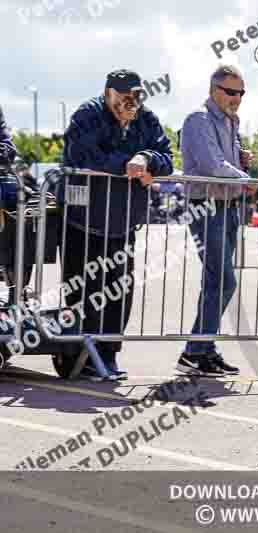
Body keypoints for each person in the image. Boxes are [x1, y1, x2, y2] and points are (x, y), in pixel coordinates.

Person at [60, 69, 173, 380]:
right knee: (83, 290)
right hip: (82, 222)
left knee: (119, 292)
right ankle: (77, 358)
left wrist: (147, 157)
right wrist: (130, 165)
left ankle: (107, 355)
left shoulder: (146, 117)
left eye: (135, 96)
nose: (130, 103)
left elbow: (167, 156)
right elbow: (86, 155)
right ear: (107, 93)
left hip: (123, 223)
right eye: (124, 97)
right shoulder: (87, 114)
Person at [176, 64, 254, 377]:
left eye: (241, 93)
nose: (237, 98)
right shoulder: (199, 118)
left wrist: (240, 161)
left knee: (216, 281)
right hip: (205, 205)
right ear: (214, 90)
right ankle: (197, 349)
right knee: (223, 279)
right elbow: (211, 165)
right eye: (231, 91)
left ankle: (201, 349)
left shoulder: (230, 121)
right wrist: (243, 176)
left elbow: (226, 162)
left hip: (227, 205)